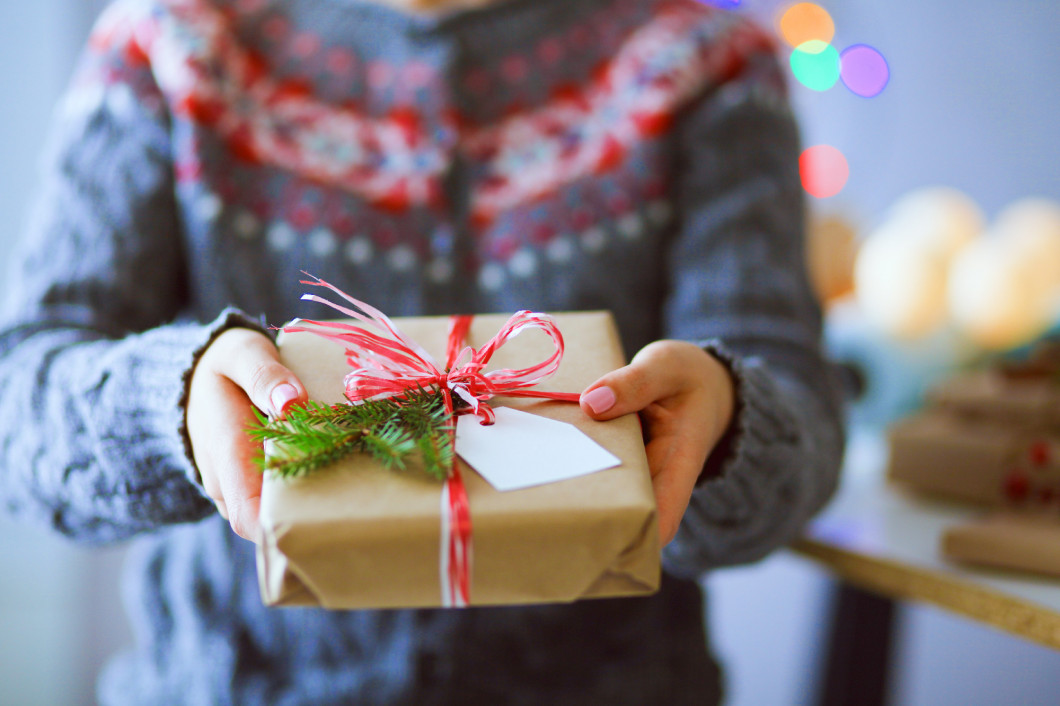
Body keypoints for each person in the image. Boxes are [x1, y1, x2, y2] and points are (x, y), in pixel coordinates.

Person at [0, 0, 844, 703]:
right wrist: (170, 404)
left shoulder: (707, 64)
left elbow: (801, 411)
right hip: (227, 684)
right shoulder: (174, 42)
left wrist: (728, 421)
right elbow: (18, 409)